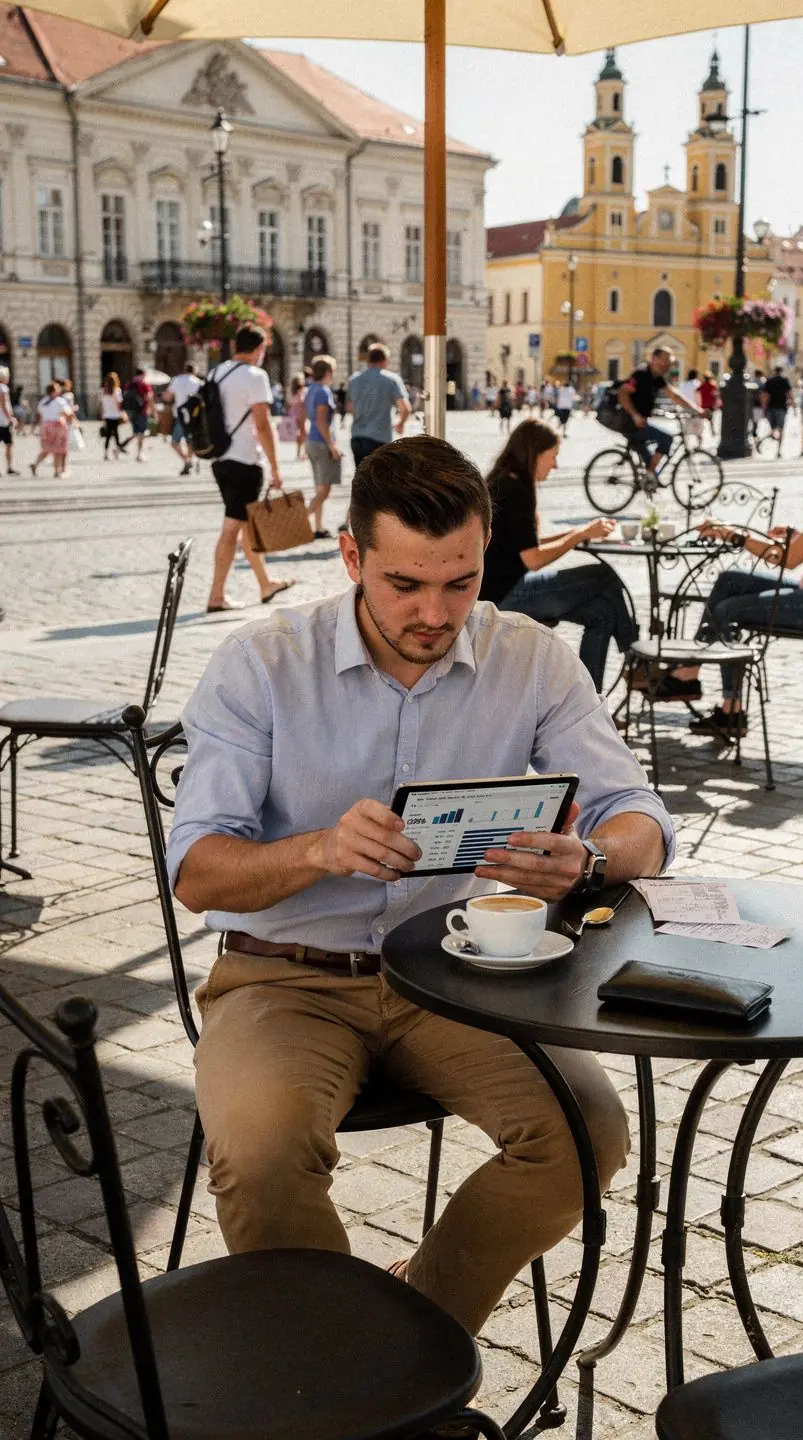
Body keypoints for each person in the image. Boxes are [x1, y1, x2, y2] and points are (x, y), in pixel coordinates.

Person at [166, 431, 673, 1343]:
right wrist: (316, 850)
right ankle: (340, 1371)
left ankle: (413, 1333)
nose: (437, 613)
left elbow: (640, 814)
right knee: (263, 1152)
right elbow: (197, 870)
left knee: (588, 1137)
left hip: (459, 972)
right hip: (287, 975)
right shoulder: (264, 662)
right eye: (405, 584)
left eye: (462, 581)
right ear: (351, 555)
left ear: (487, 554)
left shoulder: (531, 658)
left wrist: (589, 859)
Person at [662, 423, 803, 738]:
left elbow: (787, 559)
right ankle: (690, 671)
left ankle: (728, 707)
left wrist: (733, 534)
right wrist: (798, 538)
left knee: (729, 610)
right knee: (731, 580)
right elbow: (800, 552)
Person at [479, 420, 637, 691]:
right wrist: (579, 535)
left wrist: (580, 532)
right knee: (602, 575)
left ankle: (586, 705)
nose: (555, 465)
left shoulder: (504, 481)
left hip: (499, 589)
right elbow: (534, 558)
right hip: (505, 595)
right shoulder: (514, 490)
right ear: (534, 454)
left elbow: (526, 543)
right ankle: (636, 659)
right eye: (552, 457)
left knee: (601, 613)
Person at [207, 323, 296, 614]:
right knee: (232, 529)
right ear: (258, 349)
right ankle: (216, 596)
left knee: (246, 527)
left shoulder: (216, 373)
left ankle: (265, 583)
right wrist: (275, 467)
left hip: (220, 459)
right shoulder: (256, 376)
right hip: (245, 460)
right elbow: (262, 424)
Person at [617, 348, 705, 474]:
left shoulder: (657, 377)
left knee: (648, 459)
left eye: (669, 362)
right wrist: (635, 415)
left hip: (638, 423)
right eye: (664, 361)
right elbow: (622, 393)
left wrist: (697, 410)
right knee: (666, 439)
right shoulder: (640, 374)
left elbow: (674, 396)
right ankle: (651, 475)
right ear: (654, 359)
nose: (667, 365)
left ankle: (650, 477)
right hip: (629, 422)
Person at [347, 342, 411, 474]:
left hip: (357, 438)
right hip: (379, 439)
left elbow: (349, 407)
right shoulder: (391, 379)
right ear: (384, 361)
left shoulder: (354, 379)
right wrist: (401, 424)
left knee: (362, 481)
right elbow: (405, 408)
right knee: (380, 484)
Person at [305, 354, 342, 539]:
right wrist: (332, 445)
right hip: (321, 443)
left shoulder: (311, 389)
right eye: (333, 370)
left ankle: (318, 527)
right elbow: (321, 422)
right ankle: (300, 521)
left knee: (319, 489)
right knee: (324, 491)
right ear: (327, 372)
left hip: (312, 441)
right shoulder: (323, 391)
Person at [165, 363, 200, 476]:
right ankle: (189, 461)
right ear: (194, 370)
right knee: (191, 442)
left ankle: (187, 461)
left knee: (175, 442)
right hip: (194, 417)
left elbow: (168, 396)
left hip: (180, 415)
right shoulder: (198, 382)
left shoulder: (176, 380)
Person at [31, 381, 69, 476]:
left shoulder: (43, 401)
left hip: (46, 426)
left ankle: (35, 464)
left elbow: (39, 414)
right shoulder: (59, 401)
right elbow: (67, 412)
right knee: (58, 449)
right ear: (54, 391)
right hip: (57, 426)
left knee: (47, 449)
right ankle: (56, 471)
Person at [121, 367, 154, 461]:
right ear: (143, 374)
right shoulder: (144, 384)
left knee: (136, 432)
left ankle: (122, 445)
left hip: (131, 412)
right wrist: (154, 412)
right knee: (142, 433)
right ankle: (139, 454)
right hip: (142, 411)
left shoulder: (130, 384)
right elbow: (149, 398)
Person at [762, 365, 792, 451]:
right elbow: (789, 393)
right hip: (781, 408)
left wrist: (764, 407)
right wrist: (791, 403)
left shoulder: (770, 381)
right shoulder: (784, 381)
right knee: (780, 429)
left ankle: (771, 438)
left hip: (771, 407)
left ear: (775, 371)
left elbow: (765, 395)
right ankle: (779, 448)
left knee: (773, 429)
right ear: (781, 371)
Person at [99, 372, 127, 459]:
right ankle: (117, 452)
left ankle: (106, 453)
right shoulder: (117, 391)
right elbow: (119, 404)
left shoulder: (103, 391)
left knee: (107, 434)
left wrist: (102, 414)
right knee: (116, 433)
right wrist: (122, 413)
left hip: (107, 415)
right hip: (115, 415)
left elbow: (102, 405)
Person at [0, 367, 19, 475]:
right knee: (9, 444)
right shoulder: (3, 388)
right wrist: (10, 418)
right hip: (3, 421)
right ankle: (9, 467)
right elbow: (3, 405)